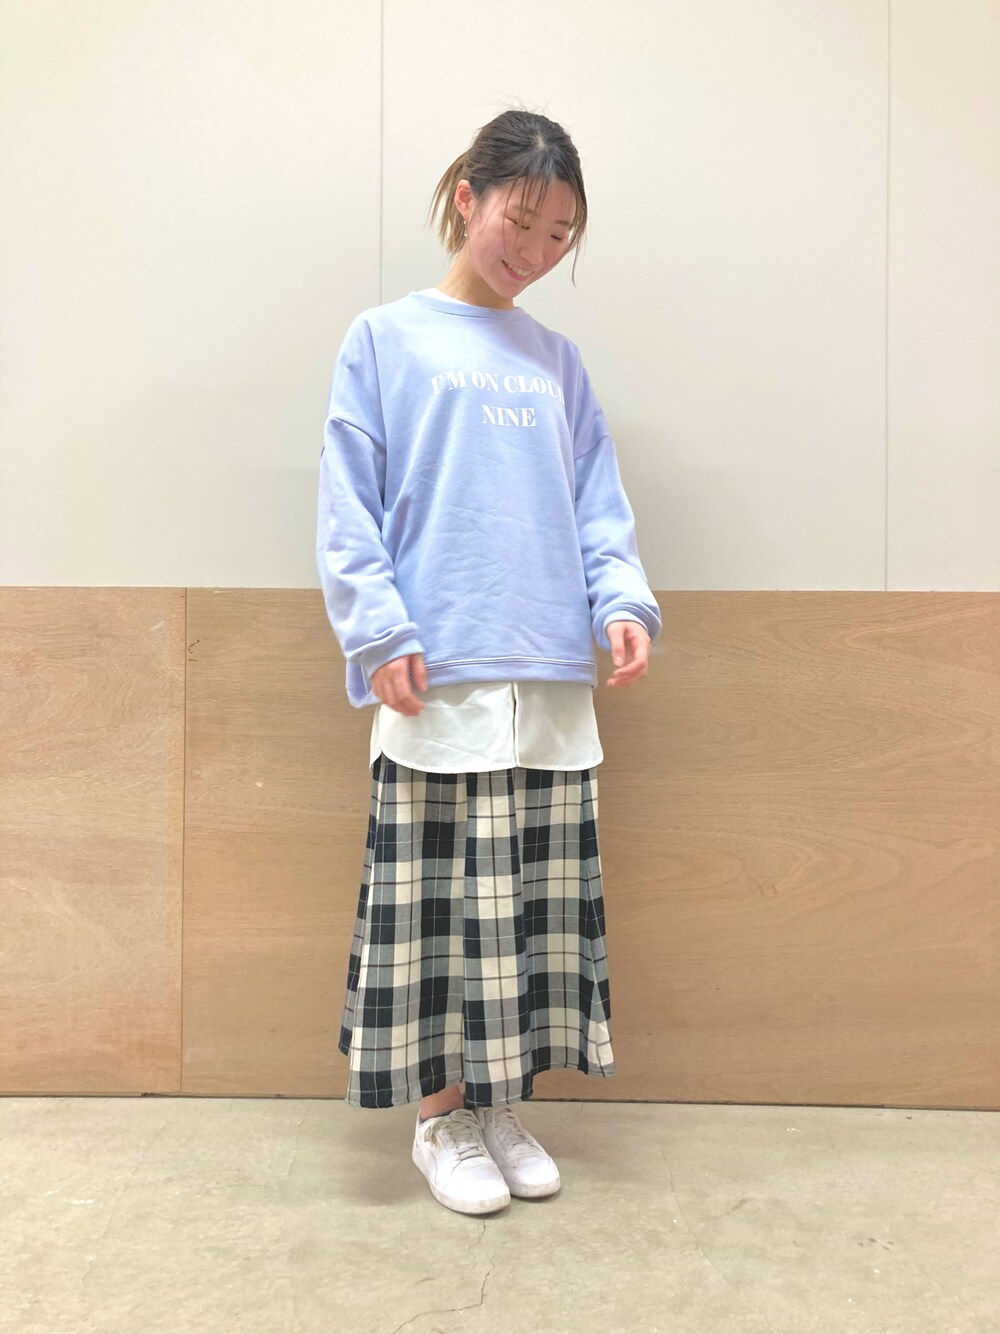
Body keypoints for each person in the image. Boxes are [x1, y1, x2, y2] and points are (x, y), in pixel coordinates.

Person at [316, 107, 662, 1217]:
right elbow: (347, 505)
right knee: (435, 913)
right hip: (439, 671)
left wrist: (622, 603)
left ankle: (500, 1105)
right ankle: (440, 1120)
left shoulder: (556, 362)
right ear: (467, 197)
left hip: (546, 674)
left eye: (560, 235)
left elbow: (597, 501)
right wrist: (378, 632)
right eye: (522, 219)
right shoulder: (384, 339)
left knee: (524, 914)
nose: (536, 249)